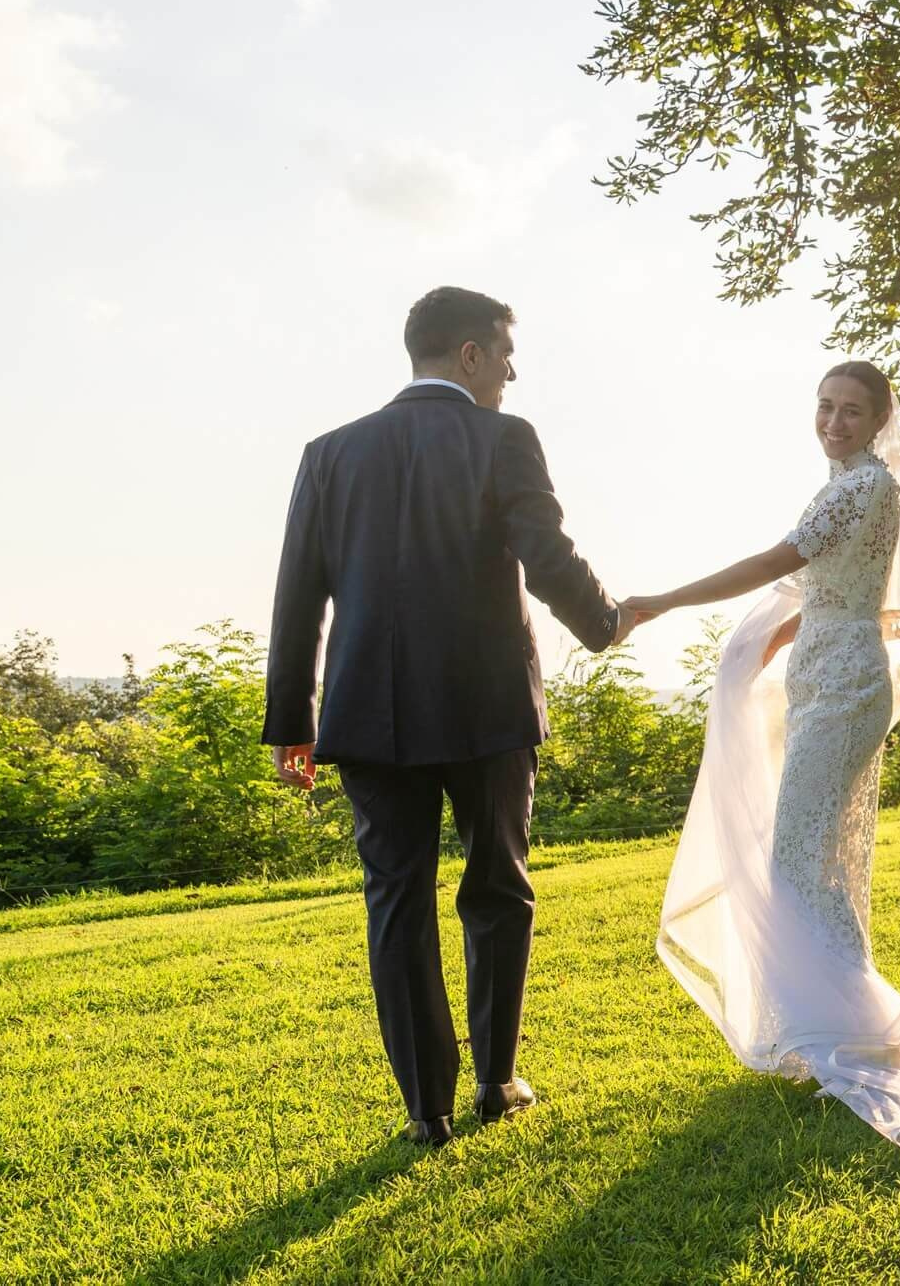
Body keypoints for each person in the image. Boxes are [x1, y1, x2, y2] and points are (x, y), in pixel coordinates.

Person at [262, 286, 647, 1145]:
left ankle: (425, 1111)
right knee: (498, 887)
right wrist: (604, 622)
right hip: (489, 707)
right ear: (470, 355)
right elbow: (545, 553)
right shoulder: (504, 438)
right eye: (505, 354)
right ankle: (497, 1082)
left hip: (369, 714)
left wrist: (293, 719)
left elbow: (298, 595)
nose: (511, 373)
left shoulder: (328, 453)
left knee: (396, 901)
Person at [623, 360, 900, 1147]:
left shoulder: (865, 486)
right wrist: (770, 644)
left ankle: (848, 1030)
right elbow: (828, 586)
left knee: (798, 857)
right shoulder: (847, 483)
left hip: (845, 685)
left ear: (879, 422)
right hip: (822, 674)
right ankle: (841, 1028)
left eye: (850, 411)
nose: (833, 423)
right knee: (816, 861)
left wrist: (664, 600)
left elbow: (776, 564)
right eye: (824, 407)